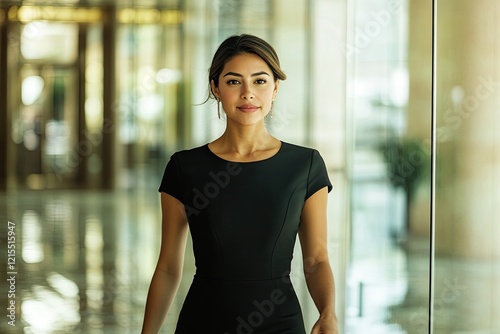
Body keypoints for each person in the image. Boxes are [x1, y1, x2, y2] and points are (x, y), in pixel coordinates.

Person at [141, 34, 338, 334]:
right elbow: (168, 267)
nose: (248, 93)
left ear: (275, 88)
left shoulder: (305, 166)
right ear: (215, 88)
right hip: (203, 323)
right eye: (234, 81)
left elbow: (316, 259)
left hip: (280, 325)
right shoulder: (184, 168)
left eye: (259, 81)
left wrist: (327, 313)